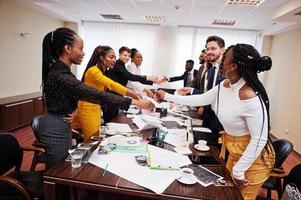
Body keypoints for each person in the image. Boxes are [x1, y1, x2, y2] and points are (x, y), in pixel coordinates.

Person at [155, 43, 275, 200]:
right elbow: (201, 99)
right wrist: (167, 96)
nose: (220, 62)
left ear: (232, 66)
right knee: (227, 195)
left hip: (253, 160)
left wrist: (239, 171)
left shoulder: (250, 96)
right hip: (234, 151)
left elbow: (259, 139)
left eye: (224, 58)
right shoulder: (225, 85)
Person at [39, 27, 154, 167]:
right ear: (68, 48)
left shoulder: (63, 71)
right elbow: (95, 93)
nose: (83, 53)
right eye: (80, 48)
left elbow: (80, 94)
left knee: (67, 167)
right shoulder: (61, 75)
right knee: (59, 172)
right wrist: (133, 101)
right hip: (55, 126)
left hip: (62, 122)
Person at [78, 45, 141, 142]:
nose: (114, 60)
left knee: (97, 138)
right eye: (111, 57)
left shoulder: (103, 70)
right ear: (102, 58)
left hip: (96, 107)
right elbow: (111, 84)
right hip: (87, 109)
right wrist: (130, 93)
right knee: (92, 140)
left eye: (115, 57)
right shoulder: (93, 71)